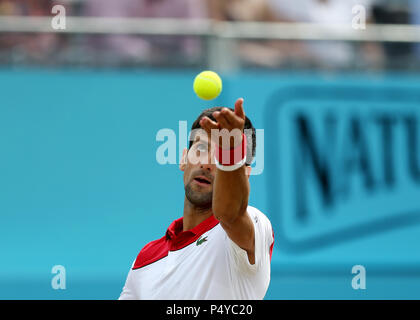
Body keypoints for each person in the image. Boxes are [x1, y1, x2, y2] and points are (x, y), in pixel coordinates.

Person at [119, 98, 274, 299]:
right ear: (184, 158)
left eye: (220, 155)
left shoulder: (253, 225)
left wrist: (231, 151)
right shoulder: (145, 259)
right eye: (200, 149)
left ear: (244, 173)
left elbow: (230, 213)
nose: (207, 163)